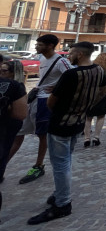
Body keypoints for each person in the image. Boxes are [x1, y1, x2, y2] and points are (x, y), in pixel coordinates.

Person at [28, 42, 103, 224]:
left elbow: (51, 102)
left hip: (61, 123)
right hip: (78, 122)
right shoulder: (98, 70)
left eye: (71, 52)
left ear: (79, 54)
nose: (69, 55)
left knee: (60, 163)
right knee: (66, 160)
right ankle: (60, 193)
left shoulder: (71, 74)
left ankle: (62, 204)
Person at [10, 34, 72, 184]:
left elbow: (72, 77)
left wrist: (57, 88)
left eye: (40, 44)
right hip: (35, 98)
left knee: (42, 134)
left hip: (45, 101)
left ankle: (38, 165)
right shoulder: (43, 58)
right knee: (19, 131)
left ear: (50, 45)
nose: (36, 47)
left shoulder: (60, 61)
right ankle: (3, 162)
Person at [0, 62, 27, 195]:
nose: (1, 73)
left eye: (4, 71)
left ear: (12, 73)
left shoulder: (16, 86)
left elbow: (20, 113)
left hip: (7, 127)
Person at [83, 53, 106, 147]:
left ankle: (86, 138)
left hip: (90, 94)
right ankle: (96, 137)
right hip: (104, 93)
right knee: (101, 116)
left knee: (88, 117)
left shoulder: (91, 68)